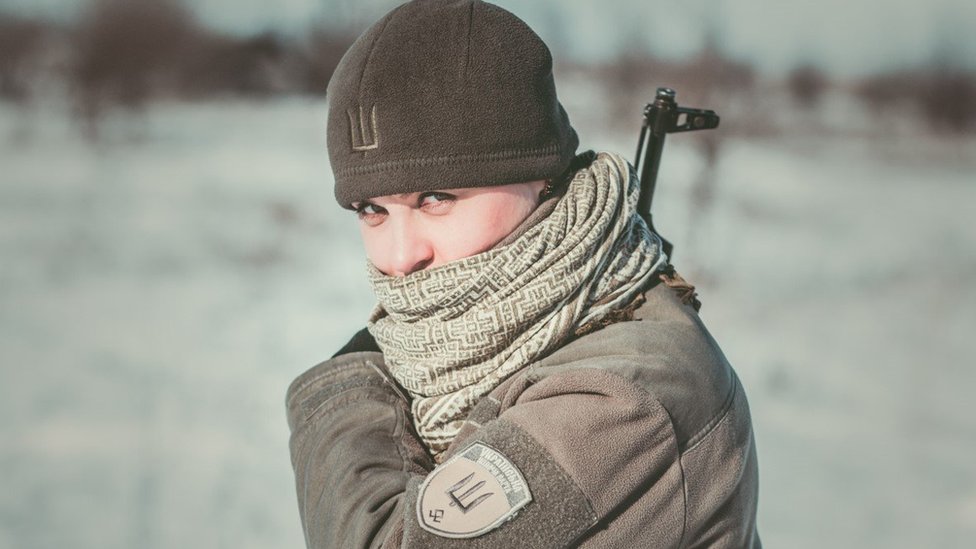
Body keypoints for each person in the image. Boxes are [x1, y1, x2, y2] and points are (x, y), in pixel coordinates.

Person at [285, 0, 761, 547]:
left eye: (436, 198)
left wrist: (348, 386)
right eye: (372, 210)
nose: (399, 257)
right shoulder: (478, 341)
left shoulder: (625, 395)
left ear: (540, 177)